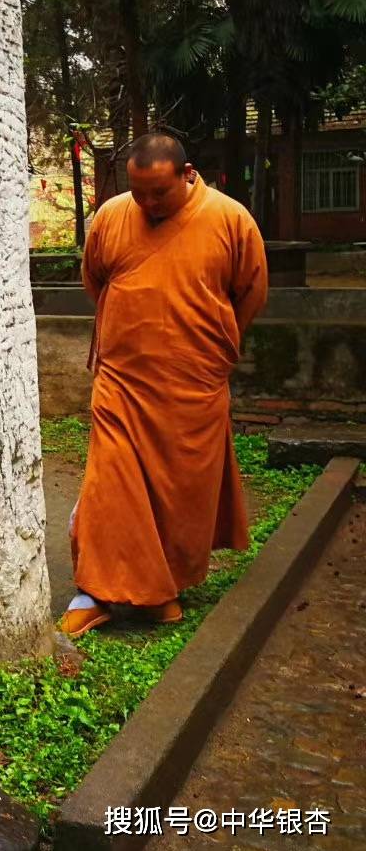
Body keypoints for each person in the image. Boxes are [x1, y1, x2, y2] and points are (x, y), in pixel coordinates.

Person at [60, 134, 268, 638]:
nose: (149, 203)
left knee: (180, 494)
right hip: (122, 380)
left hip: (193, 383)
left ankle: (161, 590)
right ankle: (94, 592)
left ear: (188, 173)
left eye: (159, 193)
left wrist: (214, 348)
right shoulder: (112, 215)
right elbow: (96, 281)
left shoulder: (231, 219)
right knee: (109, 483)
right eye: (139, 193)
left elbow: (251, 292)